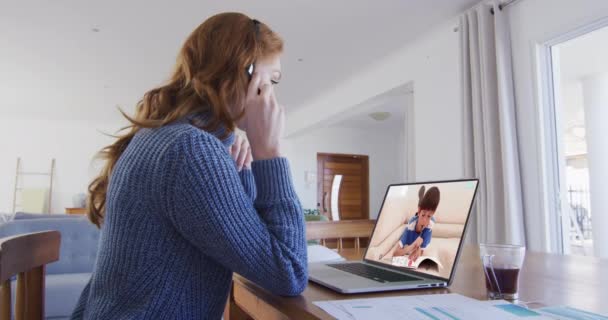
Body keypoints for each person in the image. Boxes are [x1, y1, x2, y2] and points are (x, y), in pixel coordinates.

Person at [71, 12, 307, 320]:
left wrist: (245, 167)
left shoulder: (170, 137)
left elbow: (245, 241)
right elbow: (289, 271)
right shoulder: (191, 151)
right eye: (271, 80)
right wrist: (271, 153)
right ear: (244, 73)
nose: (273, 96)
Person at [388, 186, 441, 262]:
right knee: (421, 207)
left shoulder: (429, 227)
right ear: (419, 212)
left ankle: (422, 200)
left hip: (423, 213)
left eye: (429, 216)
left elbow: (421, 251)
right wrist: (413, 245)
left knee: (425, 211)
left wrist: (417, 252)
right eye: (423, 215)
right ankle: (421, 198)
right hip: (417, 217)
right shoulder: (410, 228)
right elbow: (395, 253)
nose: (425, 221)